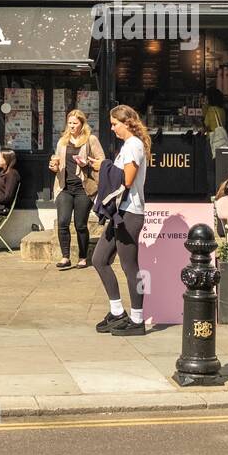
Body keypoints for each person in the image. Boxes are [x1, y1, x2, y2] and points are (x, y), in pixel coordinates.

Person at [89, 105, 150, 336]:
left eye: (115, 124)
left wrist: (103, 166)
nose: (112, 128)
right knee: (99, 259)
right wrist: (99, 167)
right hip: (120, 212)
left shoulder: (134, 145)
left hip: (130, 213)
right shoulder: (128, 145)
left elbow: (127, 180)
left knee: (130, 266)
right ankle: (117, 312)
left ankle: (137, 319)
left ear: (127, 123)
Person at [49, 110, 105, 270]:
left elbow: (102, 160)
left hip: (83, 188)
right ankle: (65, 256)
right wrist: (54, 166)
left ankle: (82, 257)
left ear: (82, 123)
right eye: (70, 123)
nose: (72, 126)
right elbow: (57, 160)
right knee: (63, 222)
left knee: (80, 224)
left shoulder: (90, 140)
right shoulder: (62, 141)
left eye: (75, 123)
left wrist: (85, 163)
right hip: (64, 186)